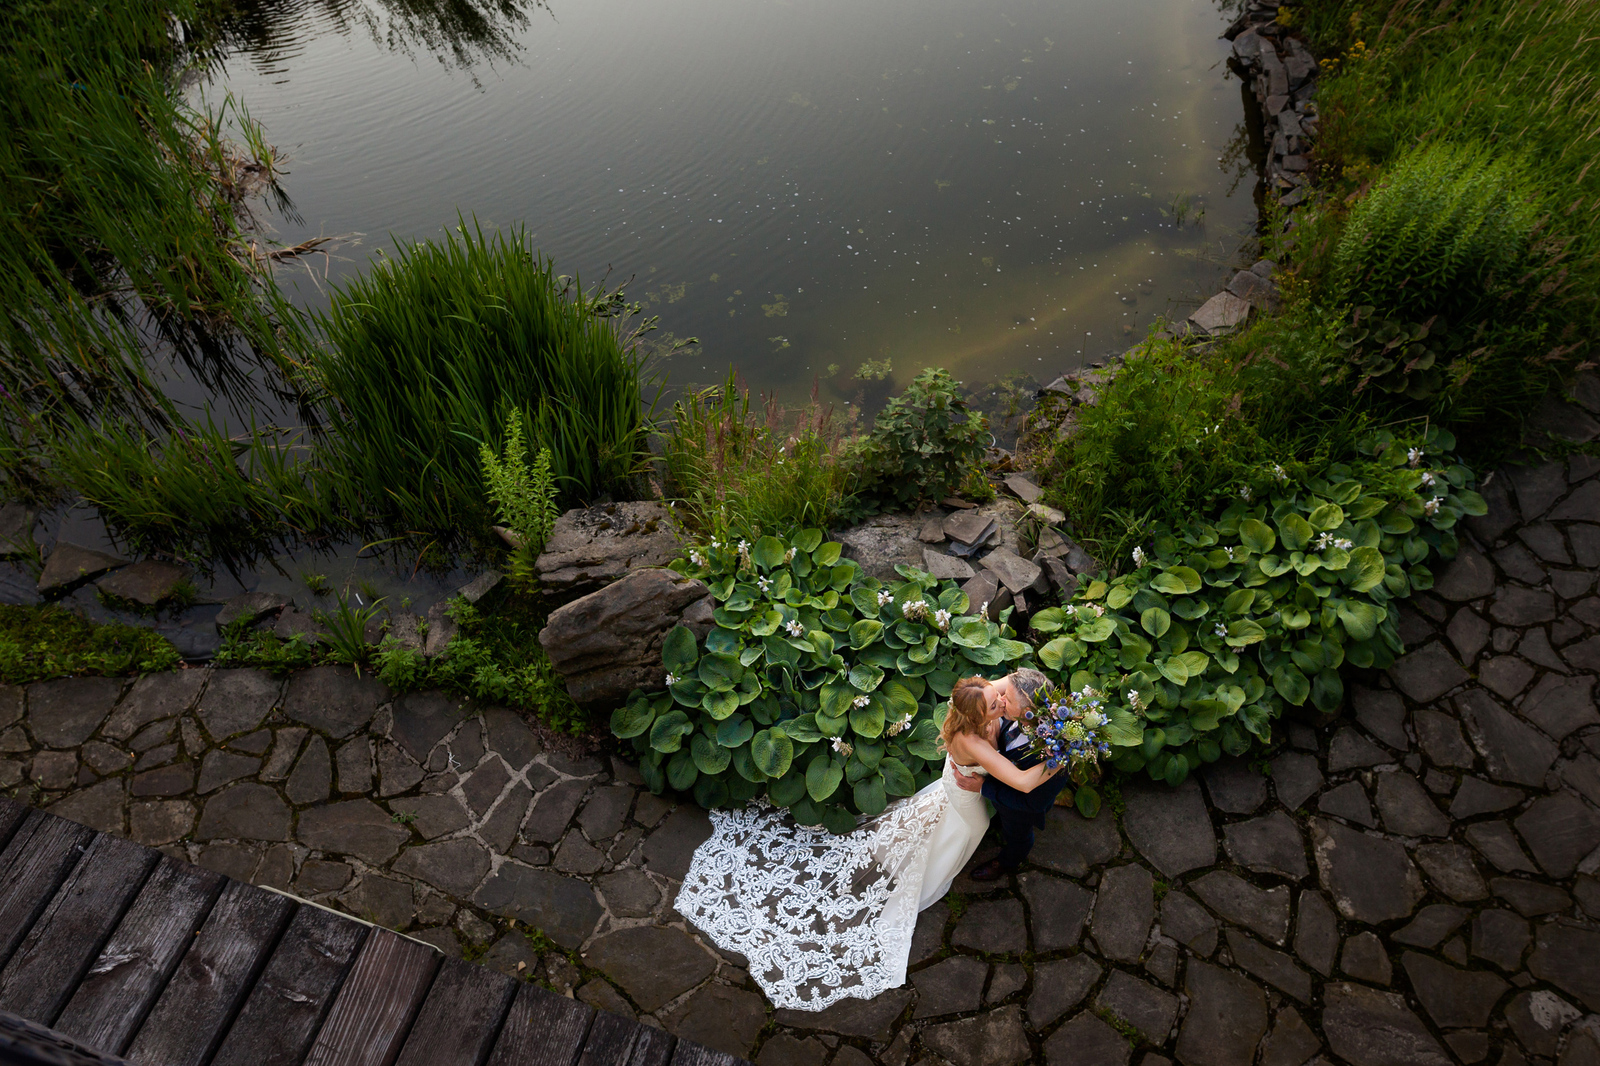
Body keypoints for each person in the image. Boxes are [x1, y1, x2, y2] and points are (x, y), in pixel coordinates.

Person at [674, 675, 1061, 1011]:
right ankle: (933, 870)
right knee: (968, 829)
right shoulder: (974, 738)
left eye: (1001, 697)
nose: (1001, 701)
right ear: (978, 717)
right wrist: (1063, 752)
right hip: (965, 794)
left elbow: (1004, 687)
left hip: (953, 781)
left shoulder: (979, 694)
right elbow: (1022, 782)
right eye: (996, 703)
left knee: (939, 818)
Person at [952, 667, 1076, 881]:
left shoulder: (1053, 755)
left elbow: (1032, 802)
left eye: (1006, 699)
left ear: (1029, 712)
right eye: (1001, 696)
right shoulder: (1012, 706)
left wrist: (984, 787)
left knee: (1018, 837)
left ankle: (1007, 862)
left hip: (1018, 809)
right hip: (1001, 788)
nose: (1000, 700)